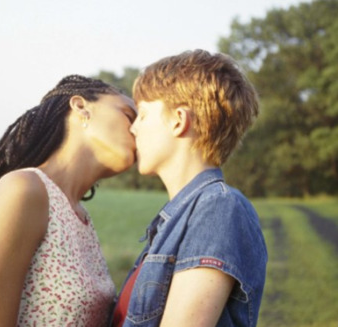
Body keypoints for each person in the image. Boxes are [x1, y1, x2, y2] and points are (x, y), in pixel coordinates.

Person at [0, 75, 137, 327]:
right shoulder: (23, 189)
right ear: (81, 107)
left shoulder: (79, 215)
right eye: (129, 116)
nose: (137, 130)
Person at [112, 50, 268, 327]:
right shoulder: (180, 218)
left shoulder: (218, 208)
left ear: (179, 120)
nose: (133, 128)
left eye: (143, 115)